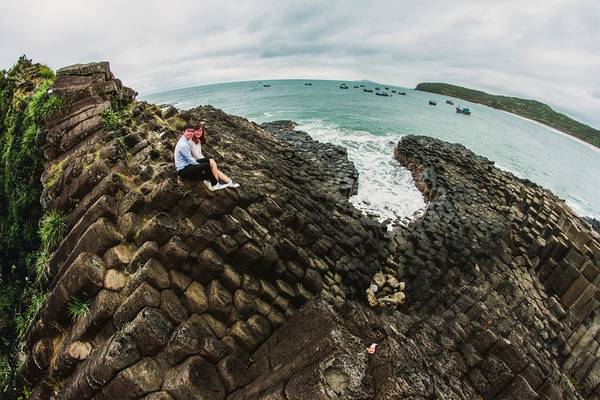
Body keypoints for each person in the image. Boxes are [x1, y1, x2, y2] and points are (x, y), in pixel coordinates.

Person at [174, 126, 239, 191]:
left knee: (209, 161)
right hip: (183, 170)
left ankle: (212, 182)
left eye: (192, 131)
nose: (190, 133)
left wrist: (201, 163)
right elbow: (190, 160)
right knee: (206, 165)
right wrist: (200, 165)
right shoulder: (183, 144)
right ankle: (214, 185)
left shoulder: (186, 140)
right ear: (183, 132)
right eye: (188, 131)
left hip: (187, 165)